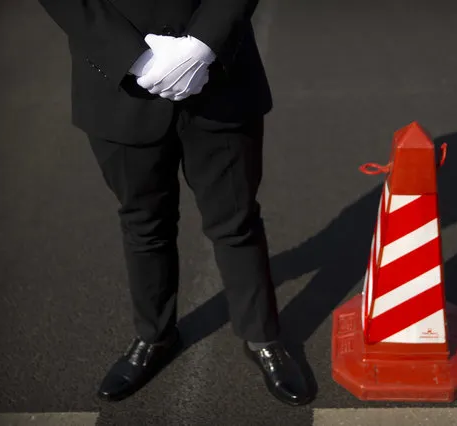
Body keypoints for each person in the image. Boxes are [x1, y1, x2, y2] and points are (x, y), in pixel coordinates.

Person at [38, 0, 314, 406]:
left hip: (220, 74)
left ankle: (263, 337)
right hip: (120, 83)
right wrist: (133, 57)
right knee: (143, 222)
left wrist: (202, 45)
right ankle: (154, 336)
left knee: (236, 221)